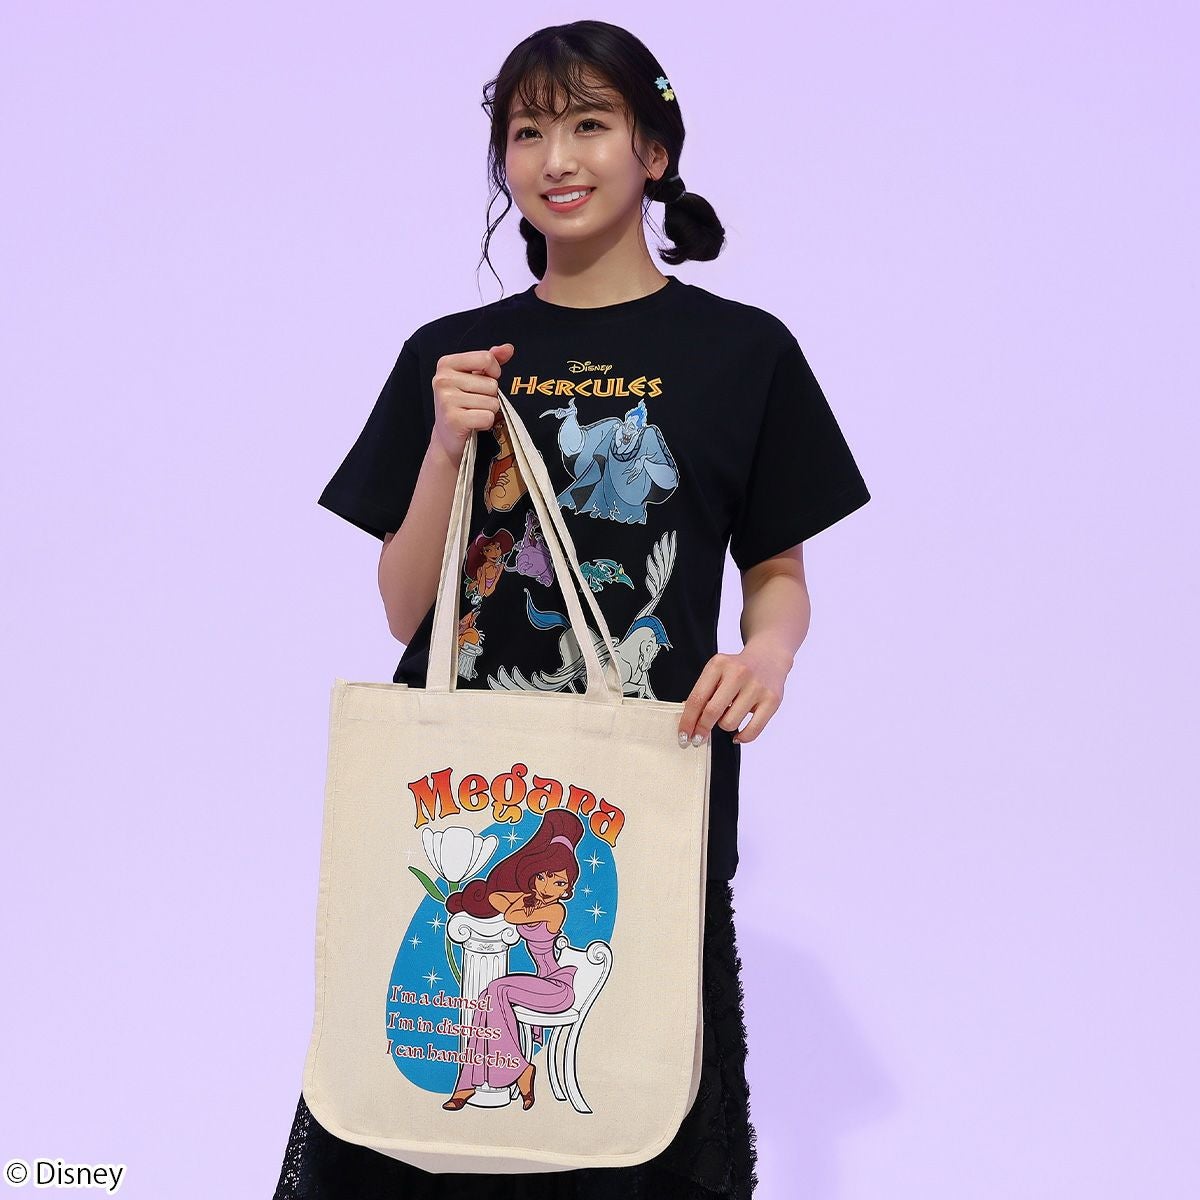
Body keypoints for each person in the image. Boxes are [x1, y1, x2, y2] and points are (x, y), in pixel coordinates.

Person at [273, 18, 871, 1200]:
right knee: (416, 1105)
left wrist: (767, 656)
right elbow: (405, 610)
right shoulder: (451, 353)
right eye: (527, 131)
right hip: (462, 792)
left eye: (590, 124)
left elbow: (778, 574)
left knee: (638, 1110)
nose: (557, 157)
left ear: (654, 150)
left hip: (648, 785)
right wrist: (445, 444)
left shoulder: (743, 353)